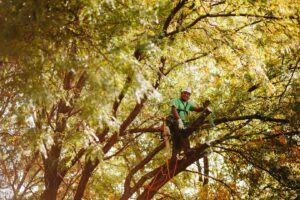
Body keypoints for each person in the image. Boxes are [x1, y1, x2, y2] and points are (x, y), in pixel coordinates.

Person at [166, 87, 210, 159]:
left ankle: (174, 158)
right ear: (181, 93)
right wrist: (179, 120)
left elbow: (197, 109)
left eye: (188, 94)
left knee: (177, 142)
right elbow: (173, 110)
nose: (186, 95)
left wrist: (203, 107)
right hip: (174, 121)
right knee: (183, 133)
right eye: (185, 93)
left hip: (183, 123)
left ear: (189, 96)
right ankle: (187, 150)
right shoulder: (176, 100)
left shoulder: (188, 104)